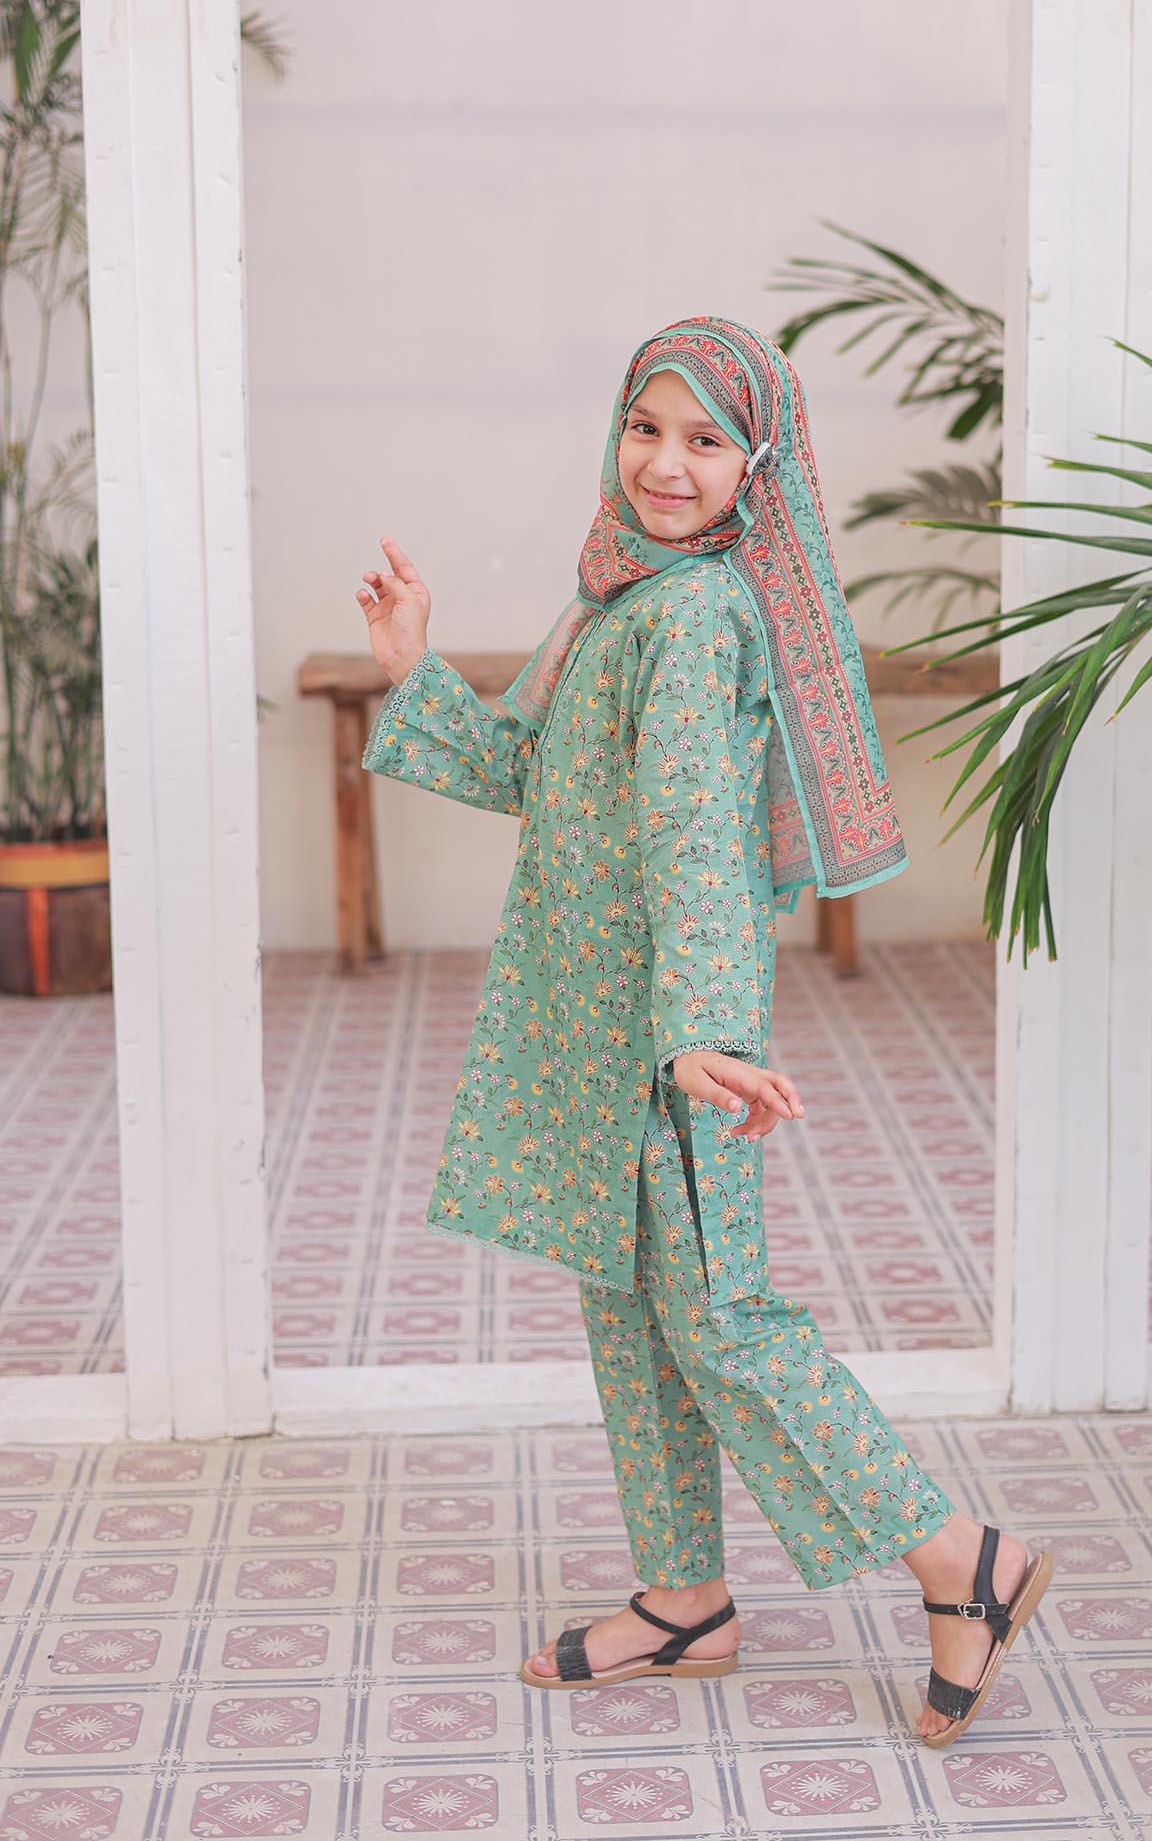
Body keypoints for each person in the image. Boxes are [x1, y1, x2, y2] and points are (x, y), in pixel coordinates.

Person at [355, 314, 1052, 1748]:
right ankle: (685, 1600)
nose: (666, 465)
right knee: (636, 1317)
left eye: (706, 440)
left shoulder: (691, 617)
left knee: (722, 1321)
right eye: (645, 428)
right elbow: (535, 773)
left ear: (759, 467)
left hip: (671, 1042)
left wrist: (703, 1032)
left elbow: (697, 838)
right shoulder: (621, 595)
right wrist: (413, 663)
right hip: (599, 1025)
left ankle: (961, 1562)